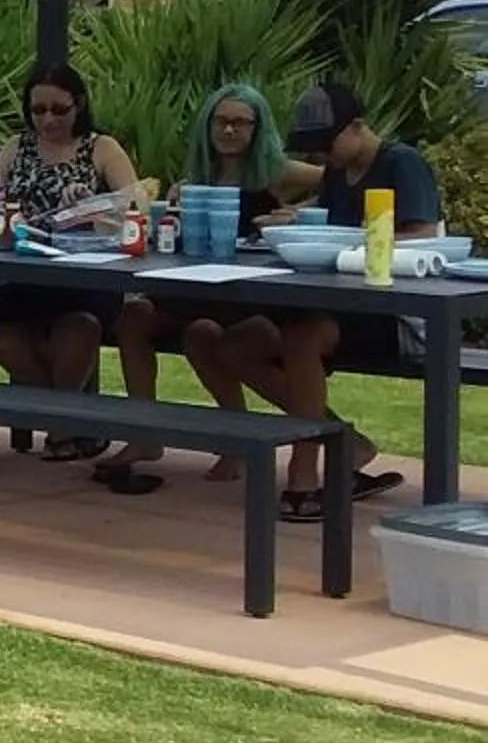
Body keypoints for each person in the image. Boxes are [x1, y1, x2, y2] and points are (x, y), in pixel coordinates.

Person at [179, 82, 418, 519]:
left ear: (358, 127)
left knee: (301, 338)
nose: (322, 157)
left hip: (391, 309)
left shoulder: (401, 164)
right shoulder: (336, 173)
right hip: (331, 298)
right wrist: (295, 221)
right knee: (234, 343)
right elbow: (326, 216)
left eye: (327, 145)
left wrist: (344, 237)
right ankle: (343, 441)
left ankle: (303, 475)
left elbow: (423, 236)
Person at [102, 83, 320, 491]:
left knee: (204, 335)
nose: (230, 130)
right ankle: (144, 432)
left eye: (240, 122)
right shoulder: (197, 178)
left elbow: (340, 184)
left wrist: (299, 214)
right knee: (133, 316)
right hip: (198, 287)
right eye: (221, 121)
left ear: (258, 128)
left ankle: (235, 440)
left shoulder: (277, 172)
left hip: (251, 293)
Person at [0, 64, 140, 459]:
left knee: (79, 327)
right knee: (4, 338)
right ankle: (68, 420)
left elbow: (136, 209)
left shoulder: (100, 147)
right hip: (24, 272)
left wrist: (94, 211)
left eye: (59, 109)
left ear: (79, 105)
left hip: (85, 277)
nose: (48, 120)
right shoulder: (14, 148)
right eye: (38, 110)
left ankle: (60, 427)